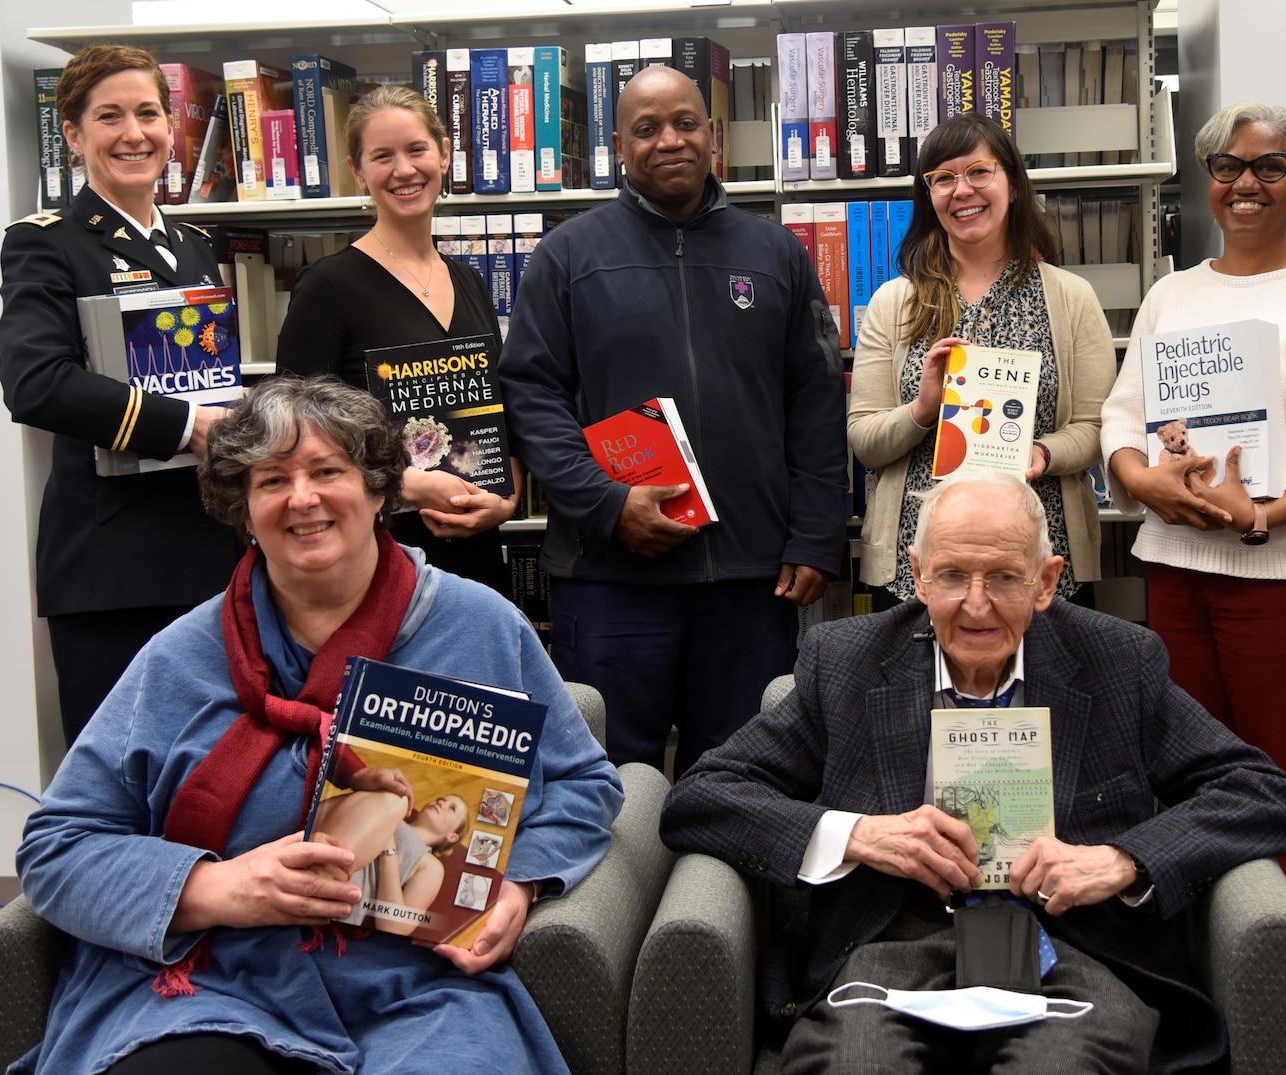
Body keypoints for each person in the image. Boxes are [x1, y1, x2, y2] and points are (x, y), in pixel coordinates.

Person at [12, 376, 624, 1075]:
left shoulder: (479, 626)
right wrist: (218, 890)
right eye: (271, 480)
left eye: (328, 471)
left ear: (379, 492)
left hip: (416, 987)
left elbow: (585, 784)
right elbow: (58, 848)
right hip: (209, 984)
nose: (302, 498)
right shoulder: (180, 658)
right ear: (242, 509)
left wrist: (515, 885)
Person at [660, 469, 1286, 1075]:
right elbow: (701, 797)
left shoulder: (1120, 661)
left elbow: (1263, 793)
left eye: (1003, 577)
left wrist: (1122, 861)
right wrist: (858, 835)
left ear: (1046, 580)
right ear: (916, 576)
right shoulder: (846, 663)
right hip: (890, 942)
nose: (976, 606)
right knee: (860, 1065)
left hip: (1073, 944)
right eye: (952, 576)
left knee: (1057, 1070)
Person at [498, 64, 846, 776]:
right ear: (619, 145)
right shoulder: (568, 255)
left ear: (712, 135)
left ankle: (716, 897)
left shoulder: (776, 253)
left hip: (749, 581)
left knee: (741, 777)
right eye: (647, 129)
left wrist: (815, 535)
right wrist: (605, 503)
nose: (669, 141)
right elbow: (531, 397)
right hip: (610, 580)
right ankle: (615, 897)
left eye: (685, 123)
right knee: (608, 776)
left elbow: (815, 400)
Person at [1098, 102, 1286, 943]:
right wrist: (1142, 480)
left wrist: (1263, 514)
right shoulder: (1170, 294)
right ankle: (1206, 994)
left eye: (1269, 166)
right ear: (1207, 180)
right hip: (1180, 576)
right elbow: (1122, 417)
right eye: (1227, 167)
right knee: (1191, 788)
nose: (1245, 184)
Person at [0, 44, 244, 743]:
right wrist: (187, 427)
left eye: (148, 113)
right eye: (109, 117)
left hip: (207, 551)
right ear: (73, 136)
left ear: (172, 128)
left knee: (214, 773)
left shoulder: (195, 243)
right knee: (125, 779)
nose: (133, 133)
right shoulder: (47, 244)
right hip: (115, 566)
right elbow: (35, 384)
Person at [849, 113, 1114, 609]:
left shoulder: (1071, 297)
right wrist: (922, 410)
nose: (961, 190)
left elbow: (1099, 426)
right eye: (943, 178)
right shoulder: (894, 302)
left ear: (1012, 184)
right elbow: (864, 438)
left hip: (1043, 562)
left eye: (979, 172)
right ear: (928, 197)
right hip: (920, 568)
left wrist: (1046, 453)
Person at [276, 85, 519, 596]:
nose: (404, 170)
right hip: (380, 553)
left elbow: (499, 407)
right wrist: (403, 485)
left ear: (444, 154)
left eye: (416, 150)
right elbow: (292, 433)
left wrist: (507, 494)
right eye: (382, 157)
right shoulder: (328, 287)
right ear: (359, 172)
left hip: (476, 550)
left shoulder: (469, 281)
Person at [309, 787, 471, 934]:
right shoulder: (392, 808)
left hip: (335, 899)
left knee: (393, 800)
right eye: (442, 799)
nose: (441, 802)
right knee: (391, 798)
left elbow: (396, 927)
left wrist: (389, 851)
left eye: (452, 808)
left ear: (452, 837)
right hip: (312, 856)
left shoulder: (431, 865)